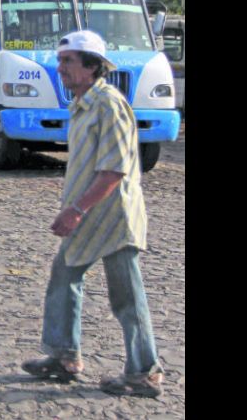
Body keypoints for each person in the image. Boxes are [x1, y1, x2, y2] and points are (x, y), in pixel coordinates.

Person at [21, 30, 164, 398]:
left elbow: (114, 170)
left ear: (91, 66)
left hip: (112, 216)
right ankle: (63, 357)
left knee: (127, 297)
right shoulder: (82, 103)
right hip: (86, 214)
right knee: (63, 278)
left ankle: (144, 372)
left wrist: (77, 209)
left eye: (68, 61)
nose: (61, 68)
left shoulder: (108, 104)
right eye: (61, 60)